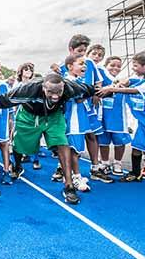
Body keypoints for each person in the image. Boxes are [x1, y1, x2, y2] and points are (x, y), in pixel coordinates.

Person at [0, 72, 96, 204]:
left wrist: (105, 92)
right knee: (20, 146)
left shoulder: (71, 88)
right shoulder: (28, 90)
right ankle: (17, 166)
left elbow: (90, 90)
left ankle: (69, 186)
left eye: (59, 92)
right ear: (43, 87)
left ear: (63, 87)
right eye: (50, 92)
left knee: (62, 144)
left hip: (54, 117)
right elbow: (0, 101)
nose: (55, 96)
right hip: (29, 116)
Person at [56, 34, 113, 183]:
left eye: (84, 50)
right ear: (71, 49)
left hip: (88, 107)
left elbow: (99, 82)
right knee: (70, 137)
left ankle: (95, 168)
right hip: (72, 108)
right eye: (79, 50)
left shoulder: (89, 64)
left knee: (91, 135)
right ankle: (65, 168)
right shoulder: (64, 66)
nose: (83, 54)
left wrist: (96, 94)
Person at [97, 51, 145, 181]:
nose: (133, 68)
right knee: (137, 147)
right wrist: (121, 82)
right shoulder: (138, 80)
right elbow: (129, 81)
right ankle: (135, 173)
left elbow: (134, 90)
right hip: (144, 123)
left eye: (136, 66)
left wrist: (111, 89)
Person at [63, 55, 93, 194]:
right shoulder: (69, 82)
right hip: (72, 120)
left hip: (78, 120)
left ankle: (72, 175)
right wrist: (92, 91)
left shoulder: (76, 80)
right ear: (70, 66)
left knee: (75, 150)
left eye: (85, 64)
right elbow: (79, 99)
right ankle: (75, 177)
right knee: (74, 150)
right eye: (81, 63)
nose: (84, 66)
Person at [97, 56, 131, 176]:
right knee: (103, 141)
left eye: (118, 66)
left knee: (119, 141)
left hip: (118, 117)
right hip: (103, 116)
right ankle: (105, 162)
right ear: (106, 66)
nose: (115, 68)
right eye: (112, 65)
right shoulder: (101, 77)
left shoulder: (124, 81)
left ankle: (117, 163)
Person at [15, 62, 44, 170]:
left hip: (33, 114)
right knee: (19, 137)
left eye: (30, 70)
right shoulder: (17, 85)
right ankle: (19, 163)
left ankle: (35, 160)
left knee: (35, 136)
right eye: (26, 69)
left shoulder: (35, 84)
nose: (28, 72)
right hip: (21, 113)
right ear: (21, 71)